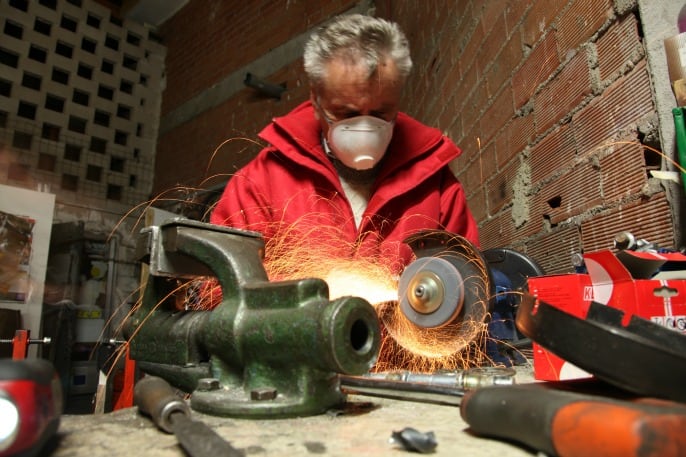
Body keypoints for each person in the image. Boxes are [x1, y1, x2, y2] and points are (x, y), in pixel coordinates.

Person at [211, 14, 479, 275]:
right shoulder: (261, 183)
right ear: (316, 101)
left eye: (381, 113)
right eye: (347, 114)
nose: (364, 130)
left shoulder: (436, 184)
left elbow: (468, 286)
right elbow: (219, 290)